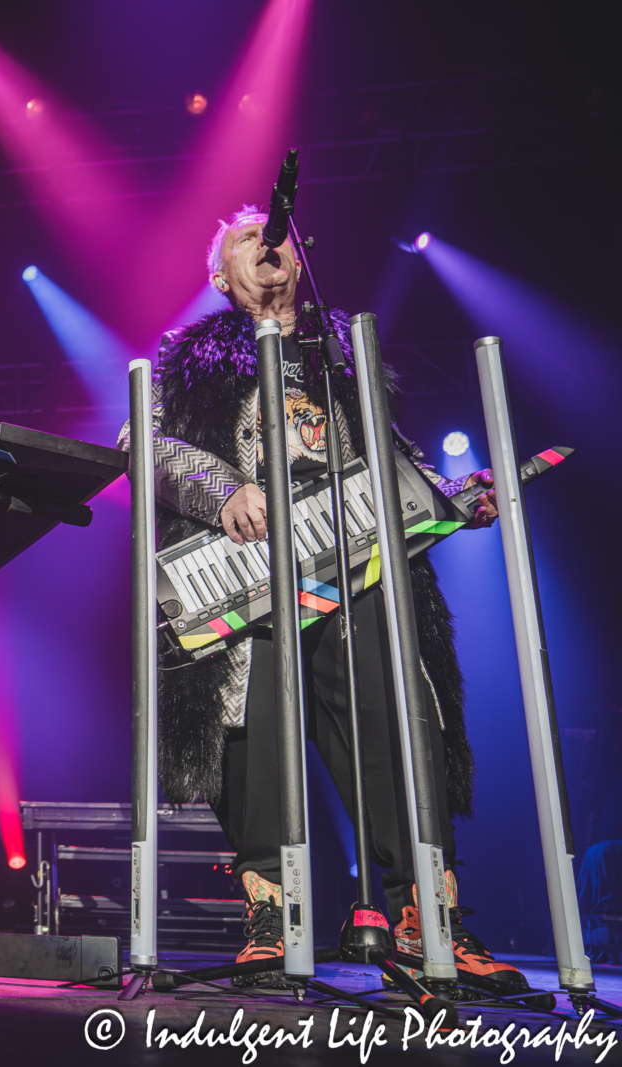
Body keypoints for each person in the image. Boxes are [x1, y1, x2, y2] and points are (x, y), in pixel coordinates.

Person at [117, 205, 526, 993]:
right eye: (245, 238)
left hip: (356, 562)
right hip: (248, 569)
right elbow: (147, 441)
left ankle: (425, 915)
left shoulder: (341, 347)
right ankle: (276, 917)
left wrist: (450, 496)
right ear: (219, 277)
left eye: (276, 237)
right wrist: (222, 488)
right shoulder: (187, 355)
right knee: (255, 732)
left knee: (395, 719)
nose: (265, 244)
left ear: (300, 260)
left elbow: (393, 457)